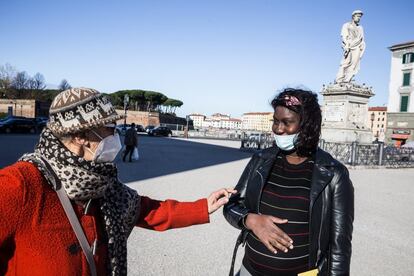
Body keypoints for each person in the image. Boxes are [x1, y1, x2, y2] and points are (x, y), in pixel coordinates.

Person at [0, 87, 235, 275]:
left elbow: (149, 210)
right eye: (110, 128)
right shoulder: (20, 184)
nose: (116, 136)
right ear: (81, 135)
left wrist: (203, 206)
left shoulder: (104, 183)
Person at [224, 88, 354, 276]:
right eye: (276, 121)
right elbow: (231, 205)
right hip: (249, 271)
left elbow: (340, 246)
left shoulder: (334, 174)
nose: (278, 128)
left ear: (307, 125)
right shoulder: (260, 160)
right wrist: (250, 220)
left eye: (287, 122)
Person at [335, 10, 365, 83]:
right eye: (358, 16)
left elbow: (362, 39)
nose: (359, 18)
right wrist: (346, 44)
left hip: (357, 47)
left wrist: (362, 46)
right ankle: (340, 78)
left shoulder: (360, 28)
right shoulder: (346, 25)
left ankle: (348, 79)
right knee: (345, 62)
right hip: (349, 46)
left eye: (360, 17)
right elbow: (344, 35)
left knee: (354, 64)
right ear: (353, 16)